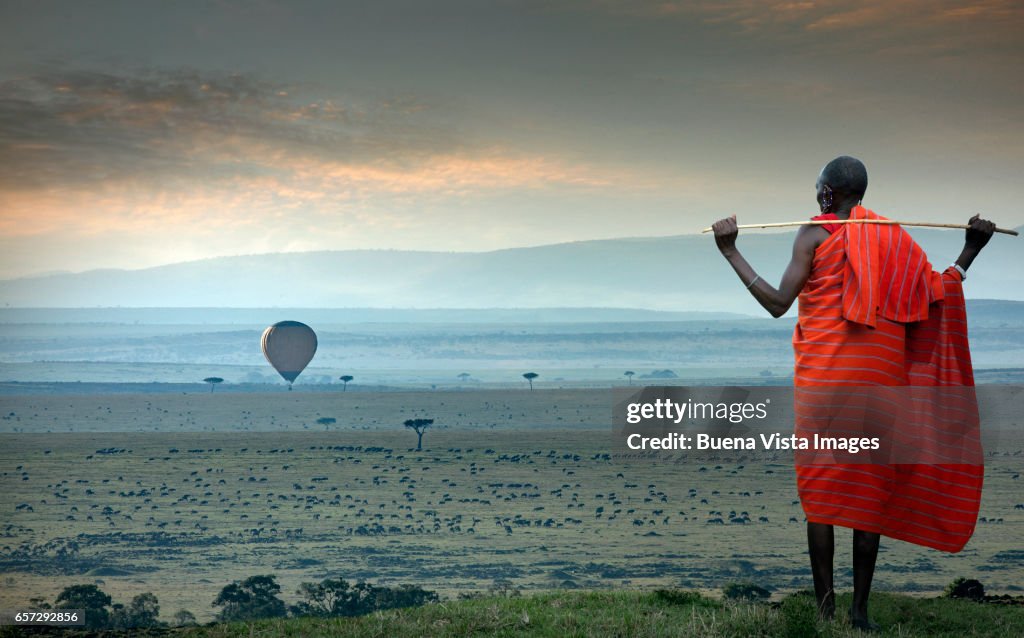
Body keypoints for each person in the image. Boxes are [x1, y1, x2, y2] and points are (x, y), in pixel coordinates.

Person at [710, 156, 995, 630]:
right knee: (868, 498)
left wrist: (730, 251)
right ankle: (858, 614)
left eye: (817, 187)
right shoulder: (892, 239)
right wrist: (970, 251)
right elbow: (936, 293)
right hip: (877, 390)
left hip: (823, 387)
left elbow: (779, 303)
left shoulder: (813, 234)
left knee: (822, 499)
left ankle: (826, 614)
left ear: (826, 194)